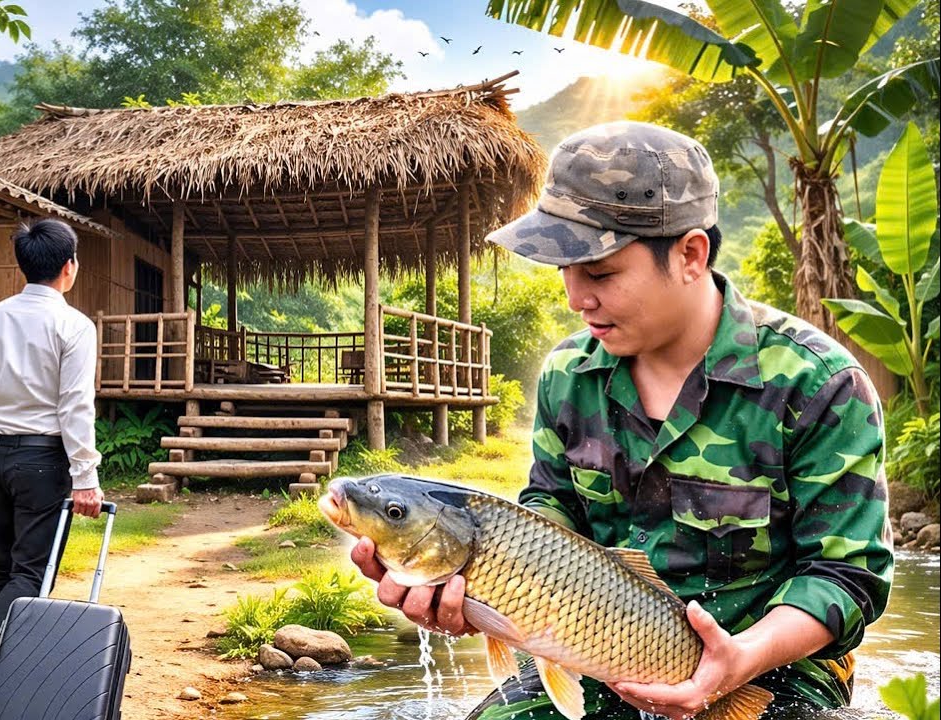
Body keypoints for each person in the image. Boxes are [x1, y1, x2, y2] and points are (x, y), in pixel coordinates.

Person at [350, 122, 893, 720]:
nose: (576, 297)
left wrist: (735, 661)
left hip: (769, 666)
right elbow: (550, 509)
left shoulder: (817, 384)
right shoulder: (568, 375)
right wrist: (479, 587)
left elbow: (848, 574)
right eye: (566, 270)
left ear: (690, 255)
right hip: (592, 637)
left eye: (600, 273)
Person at [0, 217, 105, 710]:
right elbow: (74, 406)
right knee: (32, 570)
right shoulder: (73, 325)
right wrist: (86, 477)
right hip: (42, 458)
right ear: (69, 266)